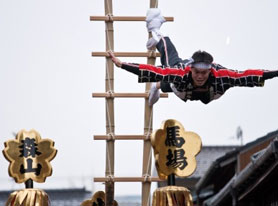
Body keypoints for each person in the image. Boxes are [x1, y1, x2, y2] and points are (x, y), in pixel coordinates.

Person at [108, 9, 278, 106]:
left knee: (172, 77)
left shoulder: (222, 75)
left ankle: (158, 83)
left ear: (210, 70)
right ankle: (156, 32)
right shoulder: (182, 72)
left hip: (211, 94)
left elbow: (249, 75)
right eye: (197, 72)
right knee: (169, 62)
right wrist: (122, 64)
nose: (200, 76)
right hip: (182, 91)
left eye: (204, 73)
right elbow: (151, 70)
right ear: (191, 68)